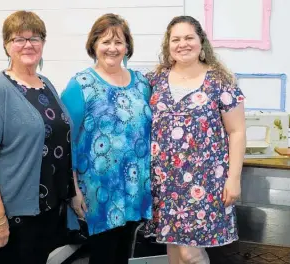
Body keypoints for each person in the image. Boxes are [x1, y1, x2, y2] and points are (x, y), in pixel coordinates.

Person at [0, 10, 75, 264]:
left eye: (35, 38)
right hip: (14, 214)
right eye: (19, 38)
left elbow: (60, 142)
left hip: (47, 207)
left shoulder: (45, 84)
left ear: (43, 44)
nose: (28, 44)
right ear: (6, 45)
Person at [143, 15, 246, 264]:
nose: (183, 44)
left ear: (201, 42)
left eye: (189, 37)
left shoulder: (220, 82)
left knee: (191, 253)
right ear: (168, 45)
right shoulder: (153, 82)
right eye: (176, 39)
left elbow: (237, 132)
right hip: (164, 182)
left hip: (206, 182)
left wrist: (233, 178)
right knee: (174, 251)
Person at [61, 13, 153, 264]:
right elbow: (65, 141)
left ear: (127, 47)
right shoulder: (81, 85)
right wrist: (74, 190)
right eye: (105, 42)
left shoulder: (141, 83)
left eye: (119, 42)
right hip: (99, 190)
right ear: (94, 45)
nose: (112, 48)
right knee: (104, 255)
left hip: (134, 187)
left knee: (124, 252)